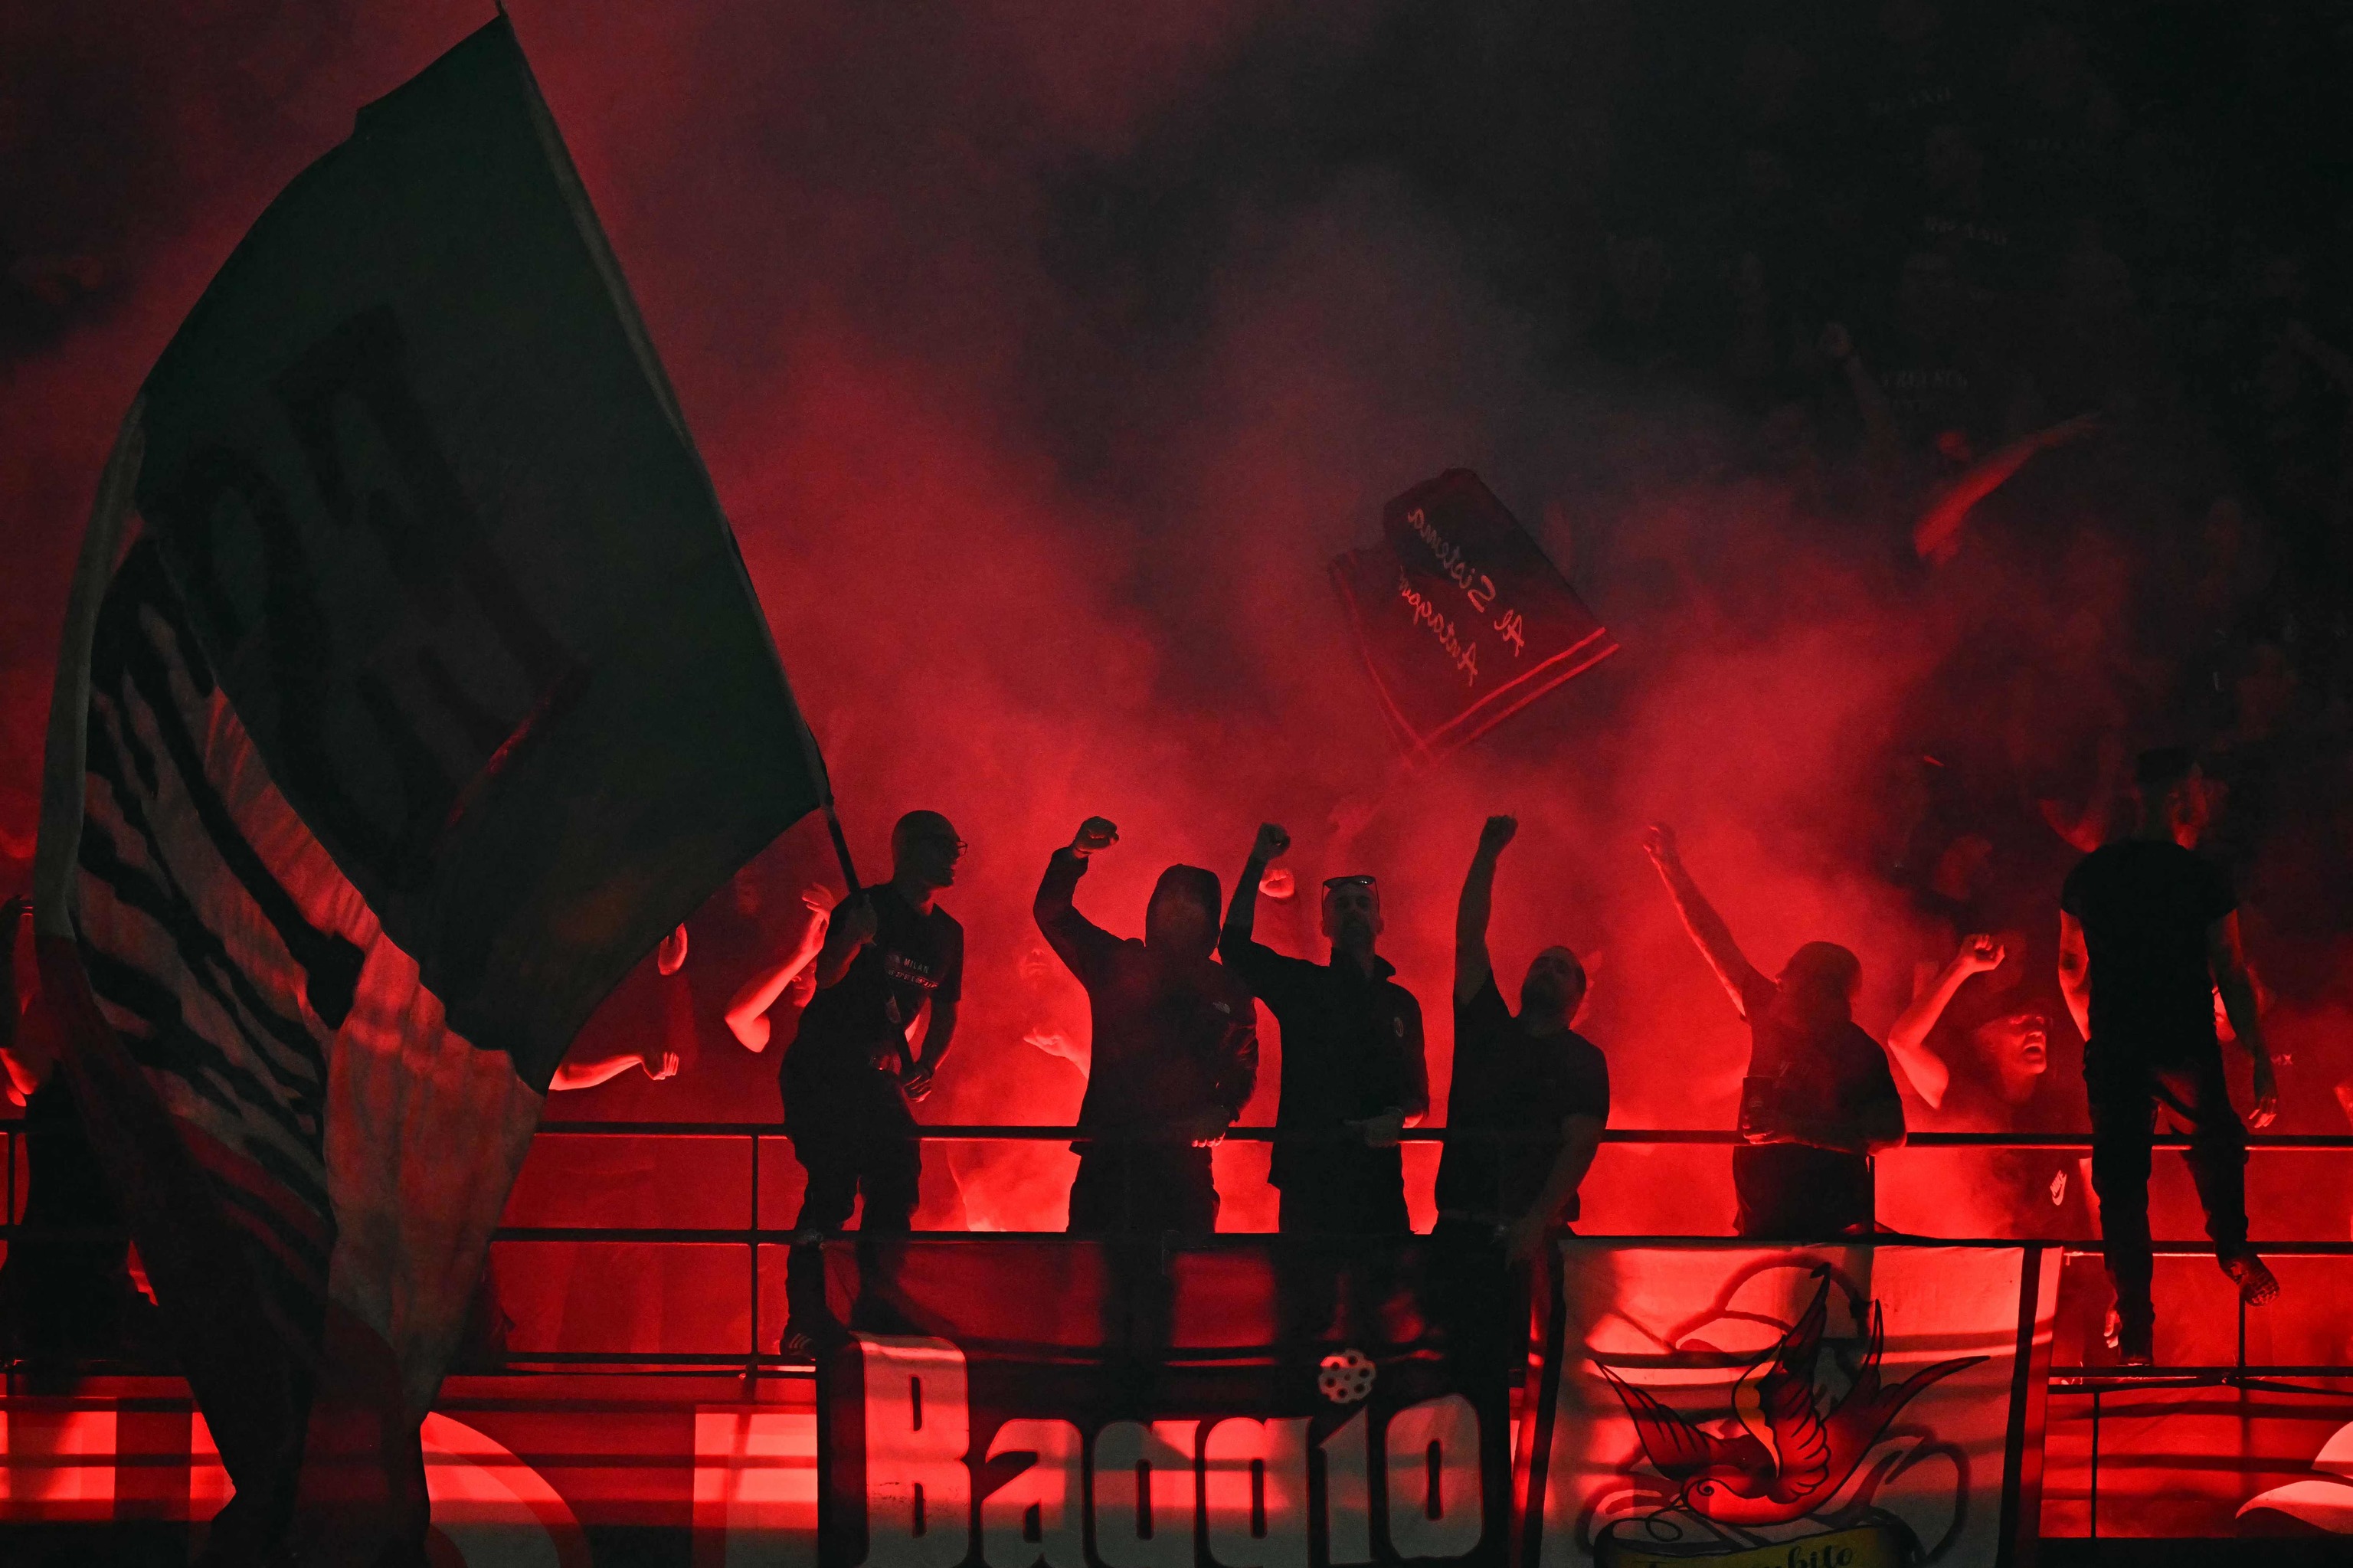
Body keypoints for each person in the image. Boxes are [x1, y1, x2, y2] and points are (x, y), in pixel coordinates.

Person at [2059, 747, 2279, 1365]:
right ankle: (2231, 1244)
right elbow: (2232, 971)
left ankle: (2136, 1324)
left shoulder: (2092, 874)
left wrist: (2095, 1038)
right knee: (2217, 1143)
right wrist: (2259, 1053)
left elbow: (2071, 966)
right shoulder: (2201, 876)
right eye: (2202, 788)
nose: (2209, 798)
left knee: (2121, 1185)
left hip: (2117, 1047)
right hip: (2183, 1040)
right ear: (2184, 793)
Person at [1644, 824, 1908, 1238]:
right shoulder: (1770, 1015)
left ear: (1824, 993)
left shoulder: (1859, 1052)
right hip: (1758, 1223)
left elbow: (1891, 1135)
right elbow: (1715, 942)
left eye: (1792, 977)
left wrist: (1795, 1130)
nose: (1778, 981)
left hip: (1834, 1233)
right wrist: (1670, 867)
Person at [777, 812, 966, 1358]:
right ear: (907, 850)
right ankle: (805, 1323)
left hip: (874, 1077)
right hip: (823, 1068)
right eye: (943, 844)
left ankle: (876, 1306)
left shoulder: (948, 933)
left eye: (959, 845)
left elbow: (948, 1008)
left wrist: (928, 1062)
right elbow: (826, 978)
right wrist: (853, 941)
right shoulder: (864, 908)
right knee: (831, 1189)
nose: (955, 855)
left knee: (899, 1173)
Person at [1036, 817, 1257, 1235]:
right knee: (1093, 1280)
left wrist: (1224, 1110)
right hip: (1111, 1155)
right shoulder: (1120, 964)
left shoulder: (1227, 989)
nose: (1178, 913)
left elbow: (1242, 1068)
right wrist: (1075, 856)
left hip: (1185, 1158)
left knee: (1181, 1280)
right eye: (1170, 903)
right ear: (1153, 910)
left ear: (1209, 919)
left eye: (1191, 906)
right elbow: (1053, 914)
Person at [1222, 823, 1427, 1235]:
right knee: (1306, 1297)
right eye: (1341, 905)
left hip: (1380, 1185)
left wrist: (1397, 1117)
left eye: (1362, 904)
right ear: (1324, 926)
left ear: (1380, 922)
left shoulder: (1402, 1004)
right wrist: (1257, 860)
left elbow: (1420, 1101)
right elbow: (1234, 948)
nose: (1353, 910)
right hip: (1309, 1183)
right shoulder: (1304, 987)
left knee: (1381, 1297)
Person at [1436, 815, 1610, 1260]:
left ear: (1578, 997)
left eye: (1560, 968)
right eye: (1541, 964)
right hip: (1458, 1227)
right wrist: (1487, 855)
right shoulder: (1486, 1027)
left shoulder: (1585, 1060)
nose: (1547, 970)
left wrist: (1537, 1218)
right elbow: (1469, 940)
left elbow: (1580, 1144)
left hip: (1534, 1235)